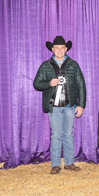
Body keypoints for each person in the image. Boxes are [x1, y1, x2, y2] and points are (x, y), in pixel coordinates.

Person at [33, 36, 86, 174]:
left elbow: (81, 85)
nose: (60, 50)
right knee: (56, 135)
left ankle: (69, 163)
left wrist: (81, 105)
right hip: (54, 106)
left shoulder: (73, 65)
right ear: (52, 49)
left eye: (62, 48)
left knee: (68, 134)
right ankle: (55, 164)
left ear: (66, 49)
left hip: (70, 105)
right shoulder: (45, 66)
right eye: (57, 48)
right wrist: (49, 83)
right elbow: (36, 84)